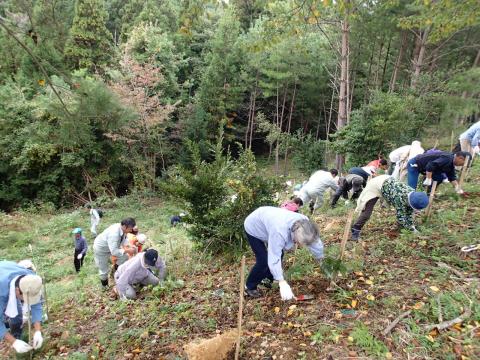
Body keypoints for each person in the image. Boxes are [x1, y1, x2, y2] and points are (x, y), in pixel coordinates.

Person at [243, 206, 324, 300]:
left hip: (268, 220)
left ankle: (268, 280)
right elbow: (274, 256)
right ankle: (249, 287)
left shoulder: (305, 223)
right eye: (297, 242)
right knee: (263, 261)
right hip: (254, 226)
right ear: (294, 233)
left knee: (280, 254)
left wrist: (321, 258)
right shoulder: (279, 231)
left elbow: (314, 242)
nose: (300, 245)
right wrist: (282, 282)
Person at [351, 175, 429, 240]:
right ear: (410, 202)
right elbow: (401, 217)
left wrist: (411, 225)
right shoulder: (399, 199)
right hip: (375, 185)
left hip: (386, 181)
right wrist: (412, 229)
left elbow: (409, 211)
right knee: (367, 212)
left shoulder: (412, 193)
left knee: (406, 213)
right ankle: (355, 230)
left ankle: (402, 228)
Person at [0, 261, 44, 354]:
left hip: (6, 273)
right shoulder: (2, 293)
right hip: (2, 282)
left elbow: (36, 304)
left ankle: (16, 334)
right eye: (24, 298)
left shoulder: (30, 278)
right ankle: (15, 337)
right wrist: (14, 342)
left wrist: (38, 331)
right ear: (17, 291)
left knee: (17, 313)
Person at [93, 218, 137, 288]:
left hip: (112, 247)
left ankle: (115, 271)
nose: (131, 230)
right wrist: (128, 250)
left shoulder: (121, 228)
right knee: (104, 270)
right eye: (130, 228)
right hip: (101, 249)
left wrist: (130, 245)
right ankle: (104, 286)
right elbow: (114, 251)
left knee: (124, 257)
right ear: (125, 227)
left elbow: (124, 239)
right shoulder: (114, 234)